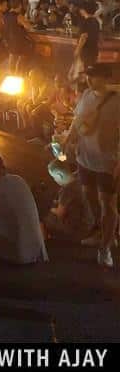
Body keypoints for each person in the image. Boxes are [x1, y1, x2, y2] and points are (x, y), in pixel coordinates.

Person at [64, 63, 119, 268]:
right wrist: (68, 140)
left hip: (107, 162)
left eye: (93, 76)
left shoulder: (117, 101)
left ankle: (105, 248)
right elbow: (77, 120)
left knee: (108, 204)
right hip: (85, 158)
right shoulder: (86, 95)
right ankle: (101, 230)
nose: (88, 80)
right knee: (89, 196)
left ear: (105, 77)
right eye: (88, 76)